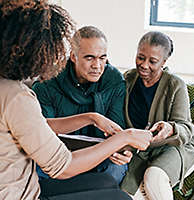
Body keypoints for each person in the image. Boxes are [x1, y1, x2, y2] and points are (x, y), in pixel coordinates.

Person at [0, 1, 153, 200]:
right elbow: (63, 168)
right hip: (20, 194)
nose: (97, 65)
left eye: (102, 58)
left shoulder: (8, 89)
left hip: (26, 185)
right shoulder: (17, 96)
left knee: (106, 182)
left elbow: (40, 126)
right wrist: (125, 137)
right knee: (120, 198)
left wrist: (92, 117)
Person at [32, 25, 129, 184]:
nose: (97, 66)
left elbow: (117, 129)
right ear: (73, 56)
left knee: (115, 170)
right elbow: (43, 128)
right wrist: (92, 118)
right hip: (60, 156)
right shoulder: (48, 81)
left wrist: (123, 152)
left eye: (102, 58)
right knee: (35, 170)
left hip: (99, 156)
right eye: (89, 58)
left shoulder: (114, 80)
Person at [120, 31, 194, 200]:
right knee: (129, 194)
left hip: (175, 146)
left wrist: (170, 128)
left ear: (164, 62)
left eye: (153, 61)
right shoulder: (128, 78)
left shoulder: (175, 84)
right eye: (141, 57)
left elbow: (186, 128)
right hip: (143, 149)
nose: (144, 65)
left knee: (154, 178)